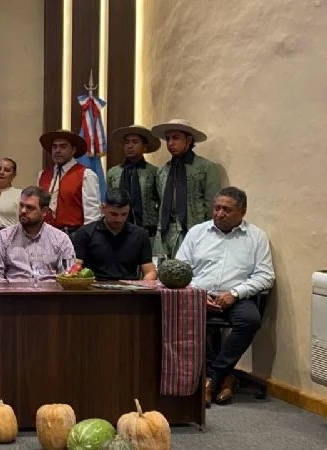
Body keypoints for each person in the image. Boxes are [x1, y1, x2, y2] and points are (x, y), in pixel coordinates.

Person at [176, 186, 275, 407]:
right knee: (178, 317)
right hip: (198, 294)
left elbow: (266, 276)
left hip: (237, 297)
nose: (219, 213)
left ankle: (211, 378)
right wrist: (197, 292)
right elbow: (180, 268)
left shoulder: (256, 237)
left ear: (243, 211)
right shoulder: (197, 233)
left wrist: (235, 293)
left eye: (227, 210)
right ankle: (225, 377)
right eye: (217, 208)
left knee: (250, 320)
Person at [152, 119, 221, 258]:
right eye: (168, 139)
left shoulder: (205, 168)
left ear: (188, 140)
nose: (170, 143)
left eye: (176, 138)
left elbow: (212, 204)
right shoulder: (163, 171)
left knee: (186, 267)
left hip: (192, 229)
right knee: (161, 268)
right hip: (164, 230)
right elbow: (160, 199)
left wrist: (206, 233)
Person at [0, 186, 75, 282]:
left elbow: (68, 276)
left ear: (44, 211)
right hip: (13, 290)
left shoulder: (61, 239)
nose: (23, 211)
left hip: (48, 290)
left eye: (30, 207)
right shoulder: (3, 237)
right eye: (21, 205)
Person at [71, 188, 157, 280]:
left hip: (129, 286)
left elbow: (149, 271)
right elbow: (76, 267)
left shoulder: (140, 235)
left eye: (124, 214)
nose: (119, 219)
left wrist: (146, 283)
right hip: (95, 285)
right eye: (114, 214)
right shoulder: (85, 233)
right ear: (103, 208)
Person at [36, 129, 101, 234]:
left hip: (73, 235)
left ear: (73, 150)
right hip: (45, 235)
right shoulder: (43, 175)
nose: (57, 150)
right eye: (54, 147)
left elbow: (92, 216)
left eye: (63, 146)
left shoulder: (86, 174)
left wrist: (86, 238)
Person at [106, 125, 161, 236]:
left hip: (148, 231)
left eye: (135, 142)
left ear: (144, 146)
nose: (130, 146)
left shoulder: (154, 172)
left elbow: (161, 202)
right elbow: (109, 201)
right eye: (127, 142)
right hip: (118, 230)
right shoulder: (113, 172)